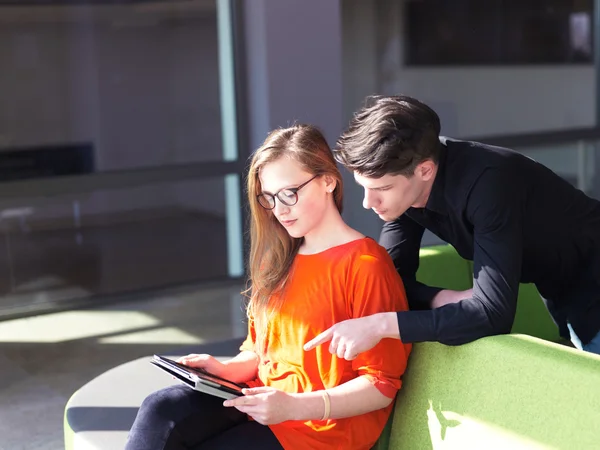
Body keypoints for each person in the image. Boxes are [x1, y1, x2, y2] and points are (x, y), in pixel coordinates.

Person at [125, 124, 411, 450]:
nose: (280, 209)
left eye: (290, 193)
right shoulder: (278, 260)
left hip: (320, 427)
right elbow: (259, 351)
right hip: (261, 399)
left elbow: (381, 385)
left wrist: (294, 406)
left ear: (328, 181)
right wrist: (225, 369)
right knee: (160, 409)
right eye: (269, 198)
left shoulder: (365, 265)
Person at [304, 95, 600, 357]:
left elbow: (491, 314)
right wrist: (439, 297)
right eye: (364, 187)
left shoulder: (488, 186)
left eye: (381, 188)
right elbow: (388, 280)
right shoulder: (406, 185)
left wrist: (382, 325)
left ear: (424, 170)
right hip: (565, 292)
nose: (369, 202)